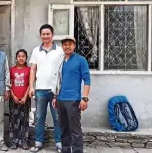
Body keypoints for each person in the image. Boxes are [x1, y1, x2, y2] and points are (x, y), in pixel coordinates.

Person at [52, 36, 91, 153]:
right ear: (62, 46)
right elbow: (58, 80)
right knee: (63, 129)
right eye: (65, 44)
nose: (67, 46)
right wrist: (55, 97)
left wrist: (85, 98)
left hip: (73, 100)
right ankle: (65, 150)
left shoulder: (80, 60)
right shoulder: (61, 61)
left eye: (70, 44)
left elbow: (87, 80)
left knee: (75, 130)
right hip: (60, 99)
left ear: (74, 46)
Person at [29, 24, 63, 153]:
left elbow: (62, 70)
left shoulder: (59, 50)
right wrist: (31, 86)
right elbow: (33, 69)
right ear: (40, 35)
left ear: (52, 35)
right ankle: (38, 142)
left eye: (48, 34)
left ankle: (59, 143)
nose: (45, 36)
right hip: (40, 89)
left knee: (57, 117)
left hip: (55, 91)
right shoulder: (36, 50)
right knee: (39, 117)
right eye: (43, 34)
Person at [8, 49, 31, 150]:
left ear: (26, 58)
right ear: (16, 58)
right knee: (14, 120)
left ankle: (24, 141)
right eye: (19, 56)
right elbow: (9, 84)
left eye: (23, 56)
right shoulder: (11, 70)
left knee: (24, 120)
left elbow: (30, 85)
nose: (21, 58)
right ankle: (14, 141)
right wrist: (13, 96)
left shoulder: (29, 70)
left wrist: (25, 96)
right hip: (14, 99)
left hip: (26, 99)